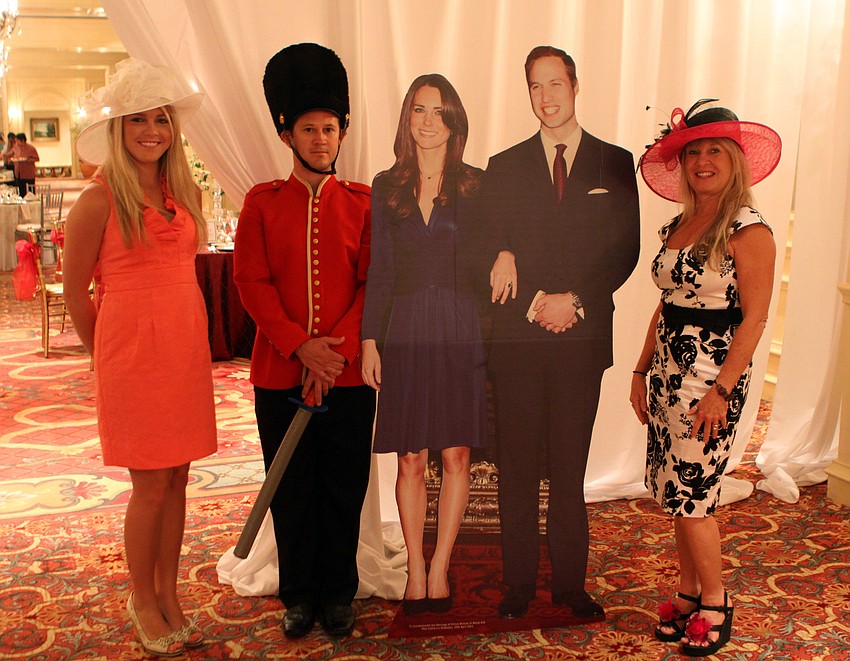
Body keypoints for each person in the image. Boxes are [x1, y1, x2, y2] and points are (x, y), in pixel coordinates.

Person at [478, 46, 640, 620]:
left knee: (569, 468)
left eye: (555, 84)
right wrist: (515, 274)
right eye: (534, 87)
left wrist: (574, 300)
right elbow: (490, 247)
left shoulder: (614, 164)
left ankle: (571, 584)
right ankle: (518, 585)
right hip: (518, 342)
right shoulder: (504, 166)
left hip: (581, 336)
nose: (546, 97)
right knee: (517, 466)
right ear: (527, 93)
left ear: (575, 86)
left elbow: (623, 249)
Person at [63, 58, 216, 656]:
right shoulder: (98, 200)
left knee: (178, 479)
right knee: (150, 485)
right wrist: (106, 361)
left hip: (183, 345)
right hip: (133, 352)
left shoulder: (186, 193)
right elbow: (76, 292)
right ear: (118, 128)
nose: (151, 130)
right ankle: (140, 596)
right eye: (138, 121)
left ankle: (169, 591)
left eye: (161, 119)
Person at [233, 43, 374, 639]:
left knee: (344, 485)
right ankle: (298, 594)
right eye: (310, 129)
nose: (321, 139)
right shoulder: (260, 204)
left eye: (331, 128)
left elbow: (374, 283)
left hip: (345, 378)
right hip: (280, 372)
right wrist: (299, 346)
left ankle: (339, 592)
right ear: (288, 134)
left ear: (342, 133)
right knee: (291, 488)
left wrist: (332, 351)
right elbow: (251, 281)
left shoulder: (365, 204)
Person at [630, 99, 781, 656]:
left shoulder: (750, 229)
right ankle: (688, 592)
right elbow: (667, 304)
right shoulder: (681, 222)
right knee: (675, 491)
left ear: (735, 159)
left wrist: (721, 390)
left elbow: (756, 317)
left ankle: (717, 600)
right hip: (669, 373)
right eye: (693, 151)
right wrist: (641, 369)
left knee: (694, 495)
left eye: (714, 149)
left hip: (710, 381)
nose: (702, 160)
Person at [361, 74, 486, 615]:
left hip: (461, 326)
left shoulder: (478, 185)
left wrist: (506, 257)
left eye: (438, 111)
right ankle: (414, 566)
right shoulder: (385, 185)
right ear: (407, 119)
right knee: (411, 457)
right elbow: (381, 270)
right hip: (406, 328)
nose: (428, 120)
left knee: (456, 452)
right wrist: (370, 339)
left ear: (454, 120)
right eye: (418, 110)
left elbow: (495, 253)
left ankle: (441, 566)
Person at [11, 132, 39, 198]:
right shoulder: (16, 148)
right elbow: (10, 154)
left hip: (28, 174)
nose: (16, 142)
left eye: (17, 141)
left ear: (23, 140)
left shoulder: (31, 148)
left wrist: (28, 159)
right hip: (19, 173)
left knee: (30, 193)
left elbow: (37, 159)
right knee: (21, 192)